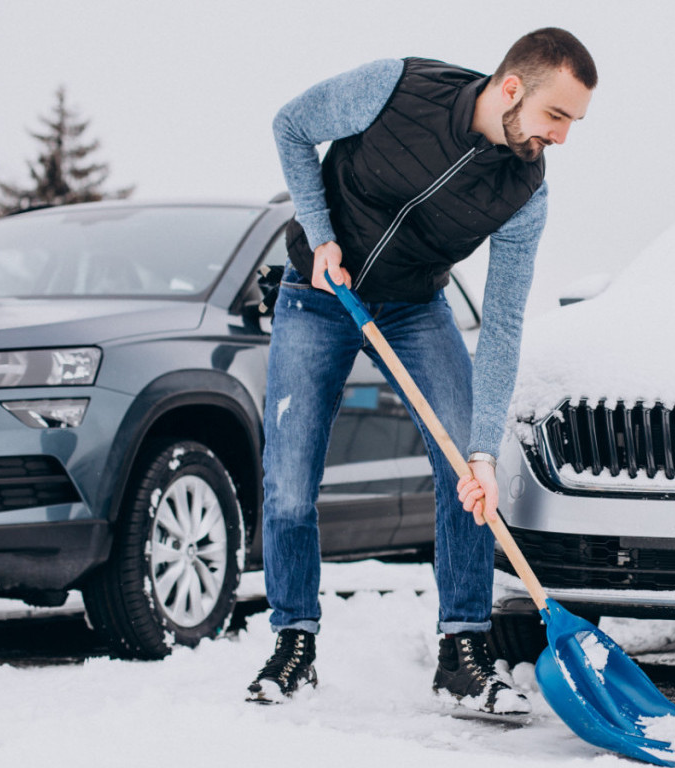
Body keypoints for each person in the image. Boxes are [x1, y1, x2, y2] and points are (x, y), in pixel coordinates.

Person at [247, 28, 597, 714]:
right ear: (511, 88)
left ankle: (463, 652)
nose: (560, 137)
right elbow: (291, 126)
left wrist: (483, 449)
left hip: (413, 308)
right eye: (556, 115)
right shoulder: (397, 87)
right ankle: (293, 644)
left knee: (467, 474)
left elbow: (502, 325)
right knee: (289, 482)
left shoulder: (525, 191)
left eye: (573, 123)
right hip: (318, 294)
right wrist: (321, 234)